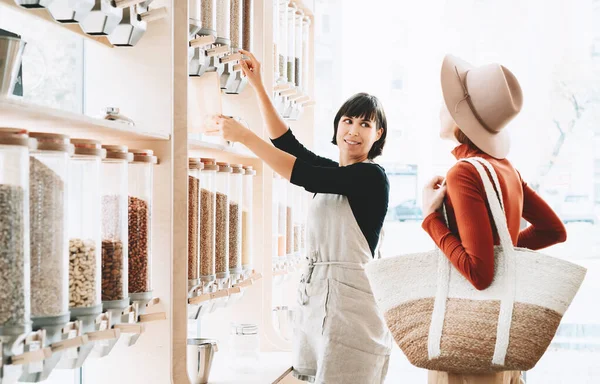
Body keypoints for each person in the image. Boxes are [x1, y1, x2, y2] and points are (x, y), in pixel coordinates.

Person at [203, 49, 392, 383]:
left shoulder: (370, 178)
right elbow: (288, 146)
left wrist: (245, 136)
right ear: (336, 126)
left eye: (365, 124)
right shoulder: (337, 171)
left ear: (377, 135)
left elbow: (302, 173)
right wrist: (258, 84)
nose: (354, 130)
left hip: (352, 313)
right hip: (318, 303)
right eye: (348, 120)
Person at [421, 55, 567, 384]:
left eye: (447, 105)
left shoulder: (463, 172)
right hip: (504, 336)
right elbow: (553, 231)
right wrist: (503, 250)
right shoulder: (507, 169)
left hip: (468, 338)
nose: (440, 110)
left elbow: (480, 273)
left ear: (461, 121)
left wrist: (431, 219)